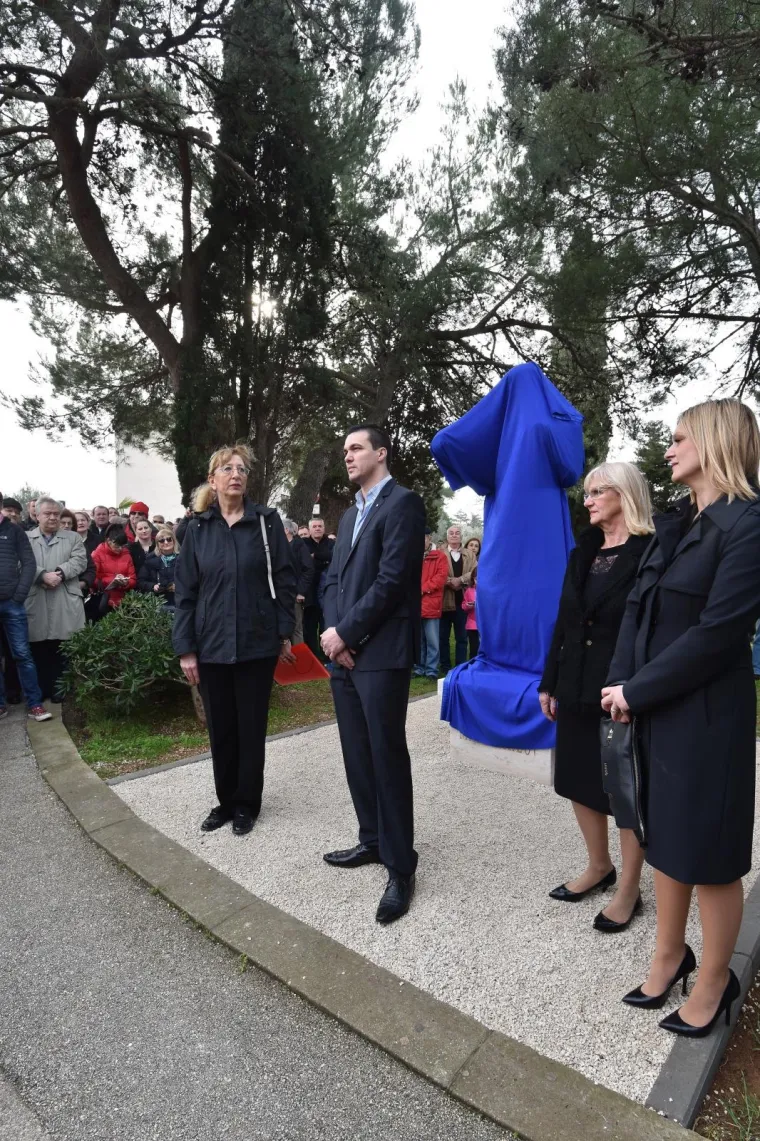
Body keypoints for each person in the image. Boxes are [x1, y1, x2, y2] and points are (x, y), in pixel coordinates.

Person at [603, 399, 760, 1037]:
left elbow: (718, 634)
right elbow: (646, 613)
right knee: (666, 837)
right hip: (662, 706)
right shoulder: (684, 523)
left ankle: (718, 981)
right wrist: (627, 682)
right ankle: (671, 955)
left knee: (711, 852)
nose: (668, 449)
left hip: (706, 714)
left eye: (679, 438)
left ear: (716, 441)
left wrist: (637, 691)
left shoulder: (747, 523)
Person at [538, 463, 654, 933]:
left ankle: (629, 887)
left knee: (622, 789)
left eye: (595, 492)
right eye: (585, 492)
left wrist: (638, 686)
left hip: (620, 685)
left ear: (624, 494)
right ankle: (598, 865)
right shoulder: (582, 553)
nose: (586, 500)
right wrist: (549, 679)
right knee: (577, 778)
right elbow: (565, 620)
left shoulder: (651, 551)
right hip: (575, 681)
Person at [321, 424, 425, 924]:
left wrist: (348, 634)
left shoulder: (403, 503)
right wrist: (332, 633)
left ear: (381, 453)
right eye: (344, 450)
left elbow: (390, 582)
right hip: (344, 654)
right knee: (356, 754)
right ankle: (372, 840)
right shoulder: (349, 513)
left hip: (380, 652)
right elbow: (334, 580)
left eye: (356, 447)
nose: (348, 455)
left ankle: (401, 866)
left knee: (386, 755)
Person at [173, 446, 296, 837]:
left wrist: (283, 634)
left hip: (256, 643)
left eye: (241, 469)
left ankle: (247, 803)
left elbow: (285, 579)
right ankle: (225, 801)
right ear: (213, 480)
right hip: (210, 646)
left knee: (250, 727)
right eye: (227, 469)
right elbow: (186, 593)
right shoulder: (196, 529)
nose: (235, 474)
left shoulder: (267, 523)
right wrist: (186, 648)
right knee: (221, 728)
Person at [25, 497, 87, 701]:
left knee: (64, 647)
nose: (52, 517)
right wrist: (42, 575)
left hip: (64, 597)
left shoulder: (72, 538)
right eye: (47, 513)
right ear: (37, 515)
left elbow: (79, 561)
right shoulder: (25, 537)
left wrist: (59, 574)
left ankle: (62, 691)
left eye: (56, 514)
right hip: (37, 598)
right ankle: (42, 690)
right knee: (39, 647)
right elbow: (20, 562)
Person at [0, 492, 51, 721]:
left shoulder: (14, 530)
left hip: (12, 603)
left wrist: (18, 595)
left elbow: (29, 563)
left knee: (22, 654)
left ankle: (34, 704)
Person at [439, 526, 475, 672]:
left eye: (457, 533)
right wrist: (448, 581)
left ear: (461, 536)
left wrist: (459, 580)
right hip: (444, 602)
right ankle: (445, 666)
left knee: (461, 637)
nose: (454, 536)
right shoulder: (439, 553)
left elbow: (474, 572)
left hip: (463, 602)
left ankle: (460, 666)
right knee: (443, 637)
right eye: (451, 533)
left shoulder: (469, 554)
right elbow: (435, 573)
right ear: (447, 536)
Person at [414, 529, 449, 679]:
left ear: (429, 538)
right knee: (419, 640)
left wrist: (423, 589)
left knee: (432, 640)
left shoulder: (440, 556)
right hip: (415, 604)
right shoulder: (412, 555)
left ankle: (432, 669)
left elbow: (441, 578)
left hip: (431, 603)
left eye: (423, 538)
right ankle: (419, 667)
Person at [303, 517, 334, 660]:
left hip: (327, 590)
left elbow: (334, 556)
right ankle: (312, 657)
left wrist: (315, 556)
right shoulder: (303, 544)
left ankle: (326, 655)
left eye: (319, 526)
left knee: (325, 624)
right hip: (308, 591)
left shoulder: (331, 543)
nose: (317, 528)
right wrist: (324, 560)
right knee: (309, 625)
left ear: (324, 528)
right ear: (309, 530)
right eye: (314, 526)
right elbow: (302, 562)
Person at [283, 519, 314, 646]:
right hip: (280, 594)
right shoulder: (278, 546)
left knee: (296, 628)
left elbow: (308, 569)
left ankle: (300, 660)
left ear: (286, 530)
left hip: (294, 594)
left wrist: (301, 592)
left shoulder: (299, 546)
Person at [91, 525, 137, 611]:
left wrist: (125, 582)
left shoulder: (126, 555)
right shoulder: (97, 554)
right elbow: (92, 578)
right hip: (103, 600)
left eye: (122, 546)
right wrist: (111, 580)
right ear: (108, 541)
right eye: (116, 546)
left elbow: (133, 579)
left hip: (123, 601)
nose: (120, 549)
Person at [139, 527, 180, 607]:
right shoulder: (150, 560)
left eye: (169, 539)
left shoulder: (183, 559)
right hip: (158, 603)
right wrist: (153, 586)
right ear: (157, 544)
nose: (166, 542)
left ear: (174, 541)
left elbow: (192, 579)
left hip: (179, 602)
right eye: (161, 540)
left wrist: (179, 586)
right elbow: (141, 581)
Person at [462, 563, 480, 659]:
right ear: (473, 579)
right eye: (476, 579)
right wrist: (468, 605)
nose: (478, 581)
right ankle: (473, 664)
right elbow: (463, 605)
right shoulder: (469, 591)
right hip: (472, 625)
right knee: (474, 647)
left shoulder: (488, 591)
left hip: (484, 625)